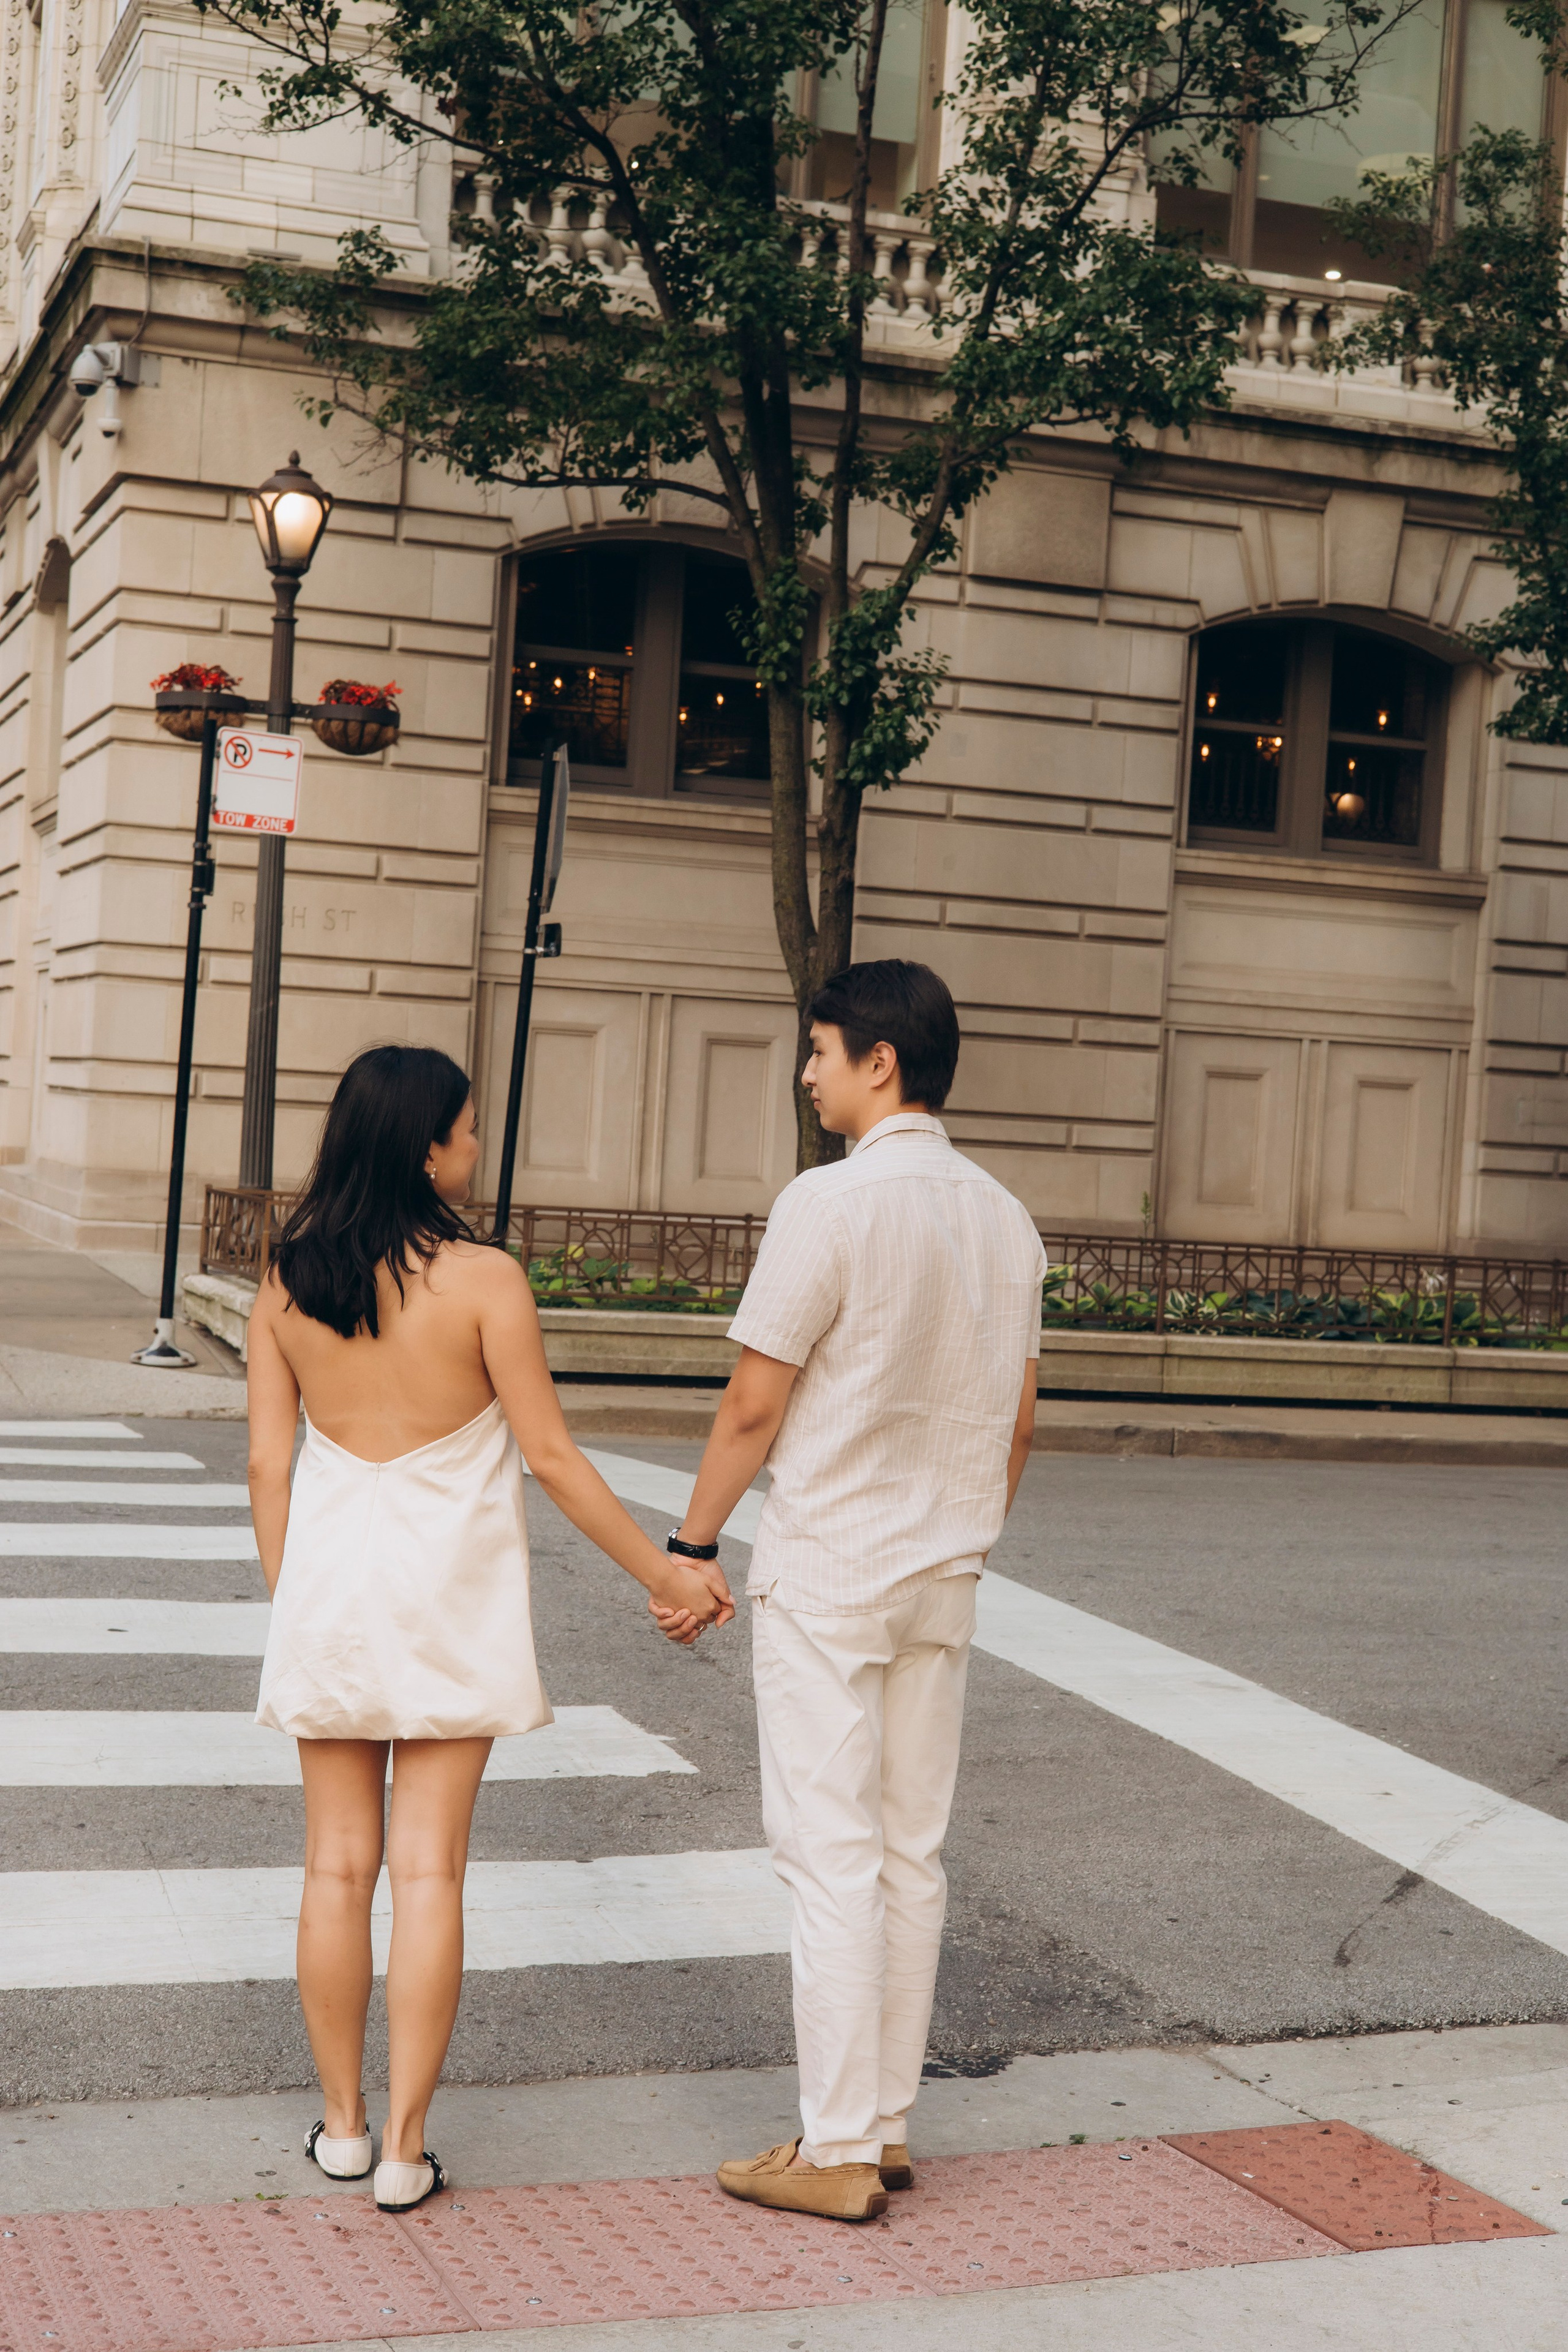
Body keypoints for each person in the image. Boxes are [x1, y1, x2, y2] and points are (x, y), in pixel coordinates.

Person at [248, 1044, 732, 2214]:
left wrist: (294, 1601)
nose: (476, 1145)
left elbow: (268, 1464)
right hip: (449, 1594)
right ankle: (406, 2150)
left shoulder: (289, 1276)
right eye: (466, 1129)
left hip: (329, 1589)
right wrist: (666, 1576)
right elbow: (552, 1457)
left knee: (334, 1865)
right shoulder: (484, 1282)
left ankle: (343, 2128)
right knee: (430, 1870)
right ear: (426, 1146)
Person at [654, 960, 1046, 2223]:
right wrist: (964, 1531)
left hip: (831, 1567)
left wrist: (693, 1544)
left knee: (828, 1859)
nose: (806, 1072)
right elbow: (1017, 1425)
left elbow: (752, 1401)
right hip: (944, 1573)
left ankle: (832, 2147)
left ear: (881, 1060)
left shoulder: (825, 1203)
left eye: (819, 1049)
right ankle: (881, 2126)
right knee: (909, 1856)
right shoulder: (1007, 1219)